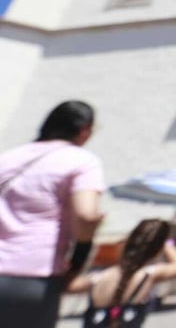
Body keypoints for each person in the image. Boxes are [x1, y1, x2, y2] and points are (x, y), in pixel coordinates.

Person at [0, 100, 106, 328]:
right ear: (84, 130)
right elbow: (86, 216)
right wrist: (78, 262)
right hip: (35, 275)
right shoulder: (81, 160)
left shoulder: (8, 158)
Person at [66, 218, 176, 328]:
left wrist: (81, 254)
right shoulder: (148, 275)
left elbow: (69, 286)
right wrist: (167, 244)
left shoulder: (98, 278)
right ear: (157, 250)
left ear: (126, 243)